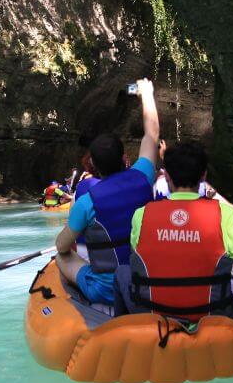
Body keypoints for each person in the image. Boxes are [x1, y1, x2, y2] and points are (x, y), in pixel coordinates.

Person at [124, 140, 233, 321]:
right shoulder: (225, 213)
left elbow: (139, 259)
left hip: (154, 316)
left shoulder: (142, 214)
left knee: (122, 273)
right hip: (210, 317)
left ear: (167, 176)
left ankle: (123, 332)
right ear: (203, 176)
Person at [53, 78, 160, 306]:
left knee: (61, 257)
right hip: (148, 281)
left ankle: (80, 299)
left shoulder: (87, 201)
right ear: (124, 159)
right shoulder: (143, 177)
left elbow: (62, 245)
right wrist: (147, 94)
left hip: (108, 290)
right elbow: (151, 134)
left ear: (93, 166)